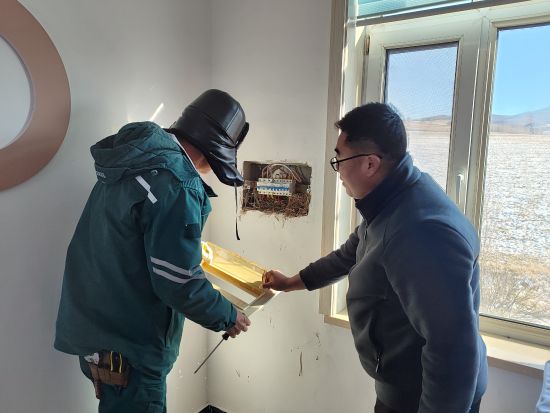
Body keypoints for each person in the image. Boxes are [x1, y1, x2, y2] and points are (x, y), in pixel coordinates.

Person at [263, 103, 487, 413]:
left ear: (370, 164)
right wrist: (291, 282)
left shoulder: (421, 232)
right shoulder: (392, 201)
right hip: (402, 389)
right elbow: (350, 254)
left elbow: (452, 350)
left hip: (422, 399)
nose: (338, 171)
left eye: (339, 159)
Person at [54, 89, 251, 412]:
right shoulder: (176, 184)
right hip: (130, 350)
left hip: (98, 335)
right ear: (215, 152)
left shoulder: (135, 161)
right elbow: (179, 282)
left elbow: (131, 242)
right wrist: (227, 316)